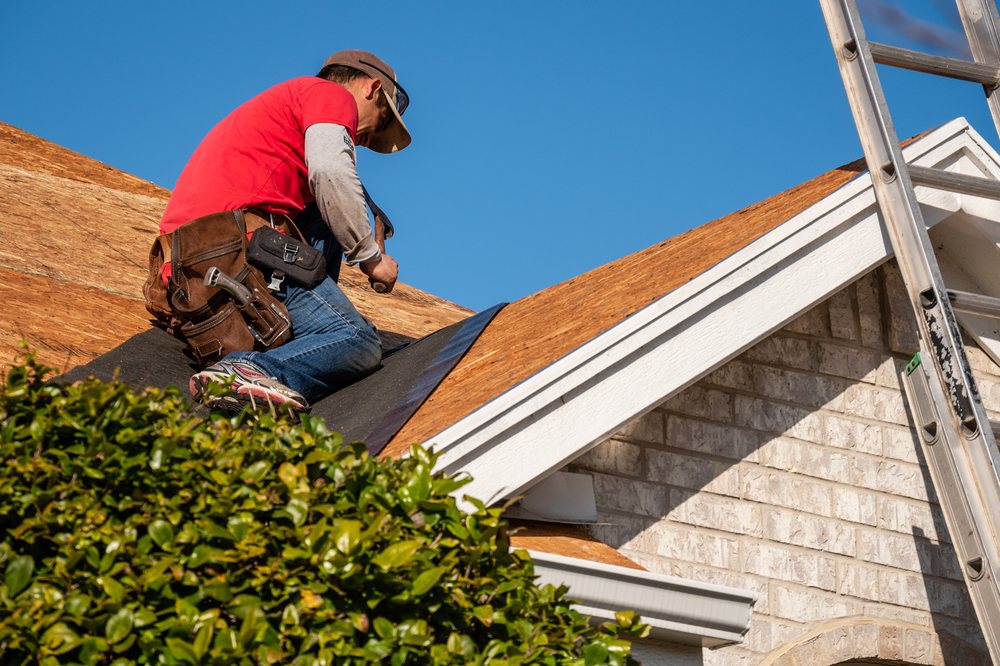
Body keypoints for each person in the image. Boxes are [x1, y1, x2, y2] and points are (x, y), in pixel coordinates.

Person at [158, 49, 410, 414]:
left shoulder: (280, 112)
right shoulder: (329, 95)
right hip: (234, 251)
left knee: (322, 212)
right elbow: (331, 174)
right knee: (356, 340)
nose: (362, 139)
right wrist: (370, 259)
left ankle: (299, 333)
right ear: (372, 89)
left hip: (188, 269)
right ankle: (249, 371)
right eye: (378, 122)